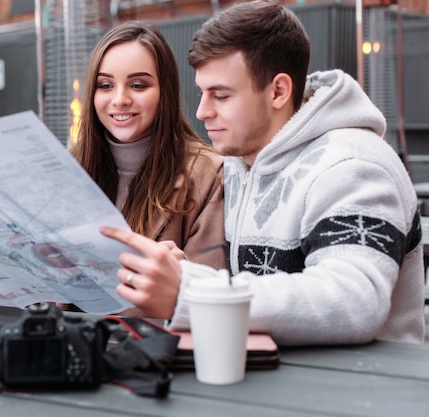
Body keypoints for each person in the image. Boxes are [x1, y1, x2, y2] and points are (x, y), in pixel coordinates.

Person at [100, 0, 426, 346]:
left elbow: (353, 302)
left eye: (221, 96)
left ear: (278, 91)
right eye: (202, 93)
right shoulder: (243, 161)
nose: (201, 111)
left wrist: (189, 289)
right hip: (275, 383)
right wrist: (179, 271)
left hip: (361, 392)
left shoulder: (353, 165)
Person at [0, 21, 226, 304]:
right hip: (66, 346)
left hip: (149, 348)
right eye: (105, 86)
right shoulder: (65, 166)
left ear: (165, 92)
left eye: (138, 85)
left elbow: (211, 294)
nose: (119, 99)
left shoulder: (207, 174)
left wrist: (180, 279)